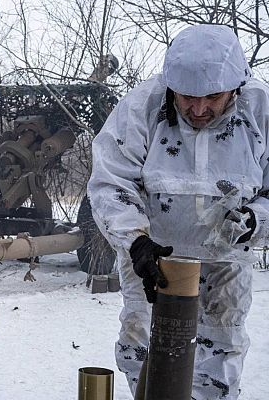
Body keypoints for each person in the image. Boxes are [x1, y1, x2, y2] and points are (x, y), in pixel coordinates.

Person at [88, 24, 268, 399]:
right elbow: (110, 182)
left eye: (212, 97)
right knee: (145, 349)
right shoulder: (141, 108)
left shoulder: (260, 111)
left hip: (225, 263)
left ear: (235, 85)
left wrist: (255, 220)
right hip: (154, 262)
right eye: (187, 97)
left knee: (218, 357)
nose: (198, 109)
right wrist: (135, 241)